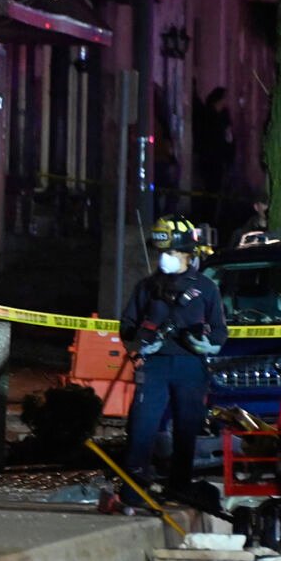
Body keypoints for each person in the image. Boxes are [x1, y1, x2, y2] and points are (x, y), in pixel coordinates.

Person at [118, 215, 228, 506]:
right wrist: (139, 346)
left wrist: (209, 345)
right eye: (161, 253)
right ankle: (133, 491)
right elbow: (126, 326)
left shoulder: (205, 288)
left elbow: (219, 331)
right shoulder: (146, 287)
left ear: (186, 254)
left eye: (170, 253)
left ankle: (179, 489)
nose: (164, 258)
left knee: (186, 430)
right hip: (153, 368)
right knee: (142, 427)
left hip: (190, 367)